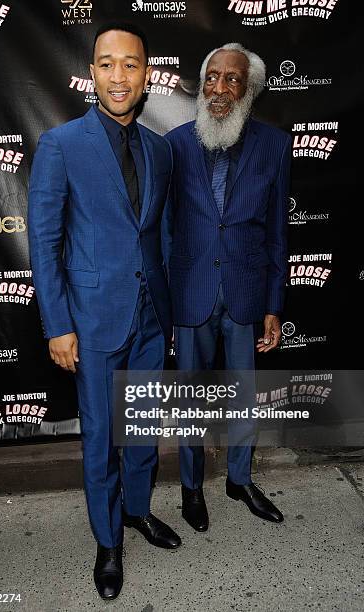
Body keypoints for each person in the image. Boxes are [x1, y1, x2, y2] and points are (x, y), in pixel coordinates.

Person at [28, 22, 181, 601]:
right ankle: (108, 542)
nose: (119, 77)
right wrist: (58, 324)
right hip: (91, 320)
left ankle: (138, 512)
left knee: (142, 428)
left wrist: (166, 313)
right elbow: (44, 243)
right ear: (92, 72)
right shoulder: (62, 145)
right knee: (101, 435)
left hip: (149, 318)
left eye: (131, 65)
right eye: (107, 64)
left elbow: (161, 236)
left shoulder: (161, 150)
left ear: (146, 74)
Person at [164, 42, 291, 532]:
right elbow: (166, 230)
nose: (220, 87)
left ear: (249, 89)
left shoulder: (275, 147)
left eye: (232, 79)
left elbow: (279, 232)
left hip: (245, 293)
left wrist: (274, 305)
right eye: (212, 77)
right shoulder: (172, 144)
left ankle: (240, 479)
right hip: (190, 293)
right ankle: (191, 489)